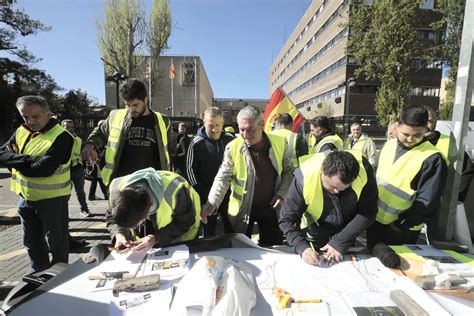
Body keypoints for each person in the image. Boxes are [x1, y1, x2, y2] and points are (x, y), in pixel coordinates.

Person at [202, 105, 294, 246]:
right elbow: (223, 177)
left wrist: (282, 193)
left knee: (272, 250)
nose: (245, 134)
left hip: (271, 209)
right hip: (242, 211)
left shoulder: (280, 143)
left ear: (262, 125)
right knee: (240, 250)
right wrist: (211, 203)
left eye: (250, 129)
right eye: (241, 129)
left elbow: (289, 170)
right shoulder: (232, 147)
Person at [0, 96, 73, 272]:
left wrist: (15, 162)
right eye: (25, 117)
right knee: (32, 242)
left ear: (49, 113)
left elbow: (42, 170)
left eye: (36, 116)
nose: (30, 121)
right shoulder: (21, 131)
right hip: (25, 198)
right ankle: (38, 277)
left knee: (57, 244)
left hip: (52, 200)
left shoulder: (62, 137)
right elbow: (1, 154)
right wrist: (29, 159)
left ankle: (59, 279)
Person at [366, 105, 447, 250]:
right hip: (376, 220)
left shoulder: (432, 159)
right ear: (397, 126)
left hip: (402, 229)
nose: (410, 139)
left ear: (425, 129)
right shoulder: (389, 145)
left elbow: (427, 202)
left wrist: (401, 224)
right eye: (405, 134)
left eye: (417, 135)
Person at [279, 151, 377, 265]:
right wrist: (302, 247)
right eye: (332, 186)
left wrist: (341, 241)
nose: (336, 192)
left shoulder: (363, 171)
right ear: (322, 171)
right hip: (314, 232)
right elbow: (286, 220)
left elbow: (368, 212)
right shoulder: (304, 177)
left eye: (343, 188)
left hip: (347, 232)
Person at [81, 78, 171, 186]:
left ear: (146, 100)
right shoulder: (115, 116)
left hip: (152, 185)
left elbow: (170, 152)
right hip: (121, 183)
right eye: (128, 105)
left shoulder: (163, 121)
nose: (131, 109)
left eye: (135, 105)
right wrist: (90, 144)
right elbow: (99, 132)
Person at [106, 168, 201, 252]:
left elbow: (185, 222)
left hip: (182, 240)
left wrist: (156, 238)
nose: (133, 230)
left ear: (149, 210)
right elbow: (111, 217)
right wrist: (119, 234)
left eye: (137, 225)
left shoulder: (175, 190)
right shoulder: (116, 188)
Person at [186, 107, 234, 237]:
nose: (215, 129)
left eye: (218, 125)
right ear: (203, 122)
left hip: (229, 195)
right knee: (209, 233)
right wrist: (203, 195)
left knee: (233, 230)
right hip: (207, 198)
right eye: (210, 125)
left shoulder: (230, 140)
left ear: (223, 123)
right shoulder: (196, 143)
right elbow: (190, 172)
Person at [61, 119, 91, 217]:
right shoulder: (59, 140)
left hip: (78, 168)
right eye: (67, 127)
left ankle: (84, 210)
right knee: (65, 193)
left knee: (80, 191)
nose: (70, 129)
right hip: (65, 169)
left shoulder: (78, 139)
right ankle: (63, 213)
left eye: (72, 127)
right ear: (62, 128)